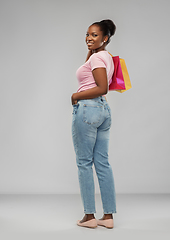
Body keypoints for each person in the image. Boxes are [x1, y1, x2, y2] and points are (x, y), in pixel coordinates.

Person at [71, 19, 117, 229]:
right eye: (87, 35)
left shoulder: (97, 58)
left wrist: (75, 95)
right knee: (102, 163)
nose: (89, 38)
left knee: (84, 163)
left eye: (95, 35)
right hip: (103, 111)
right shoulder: (105, 56)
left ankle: (89, 217)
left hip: (89, 109)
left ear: (105, 38)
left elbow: (101, 88)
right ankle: (107, 217)